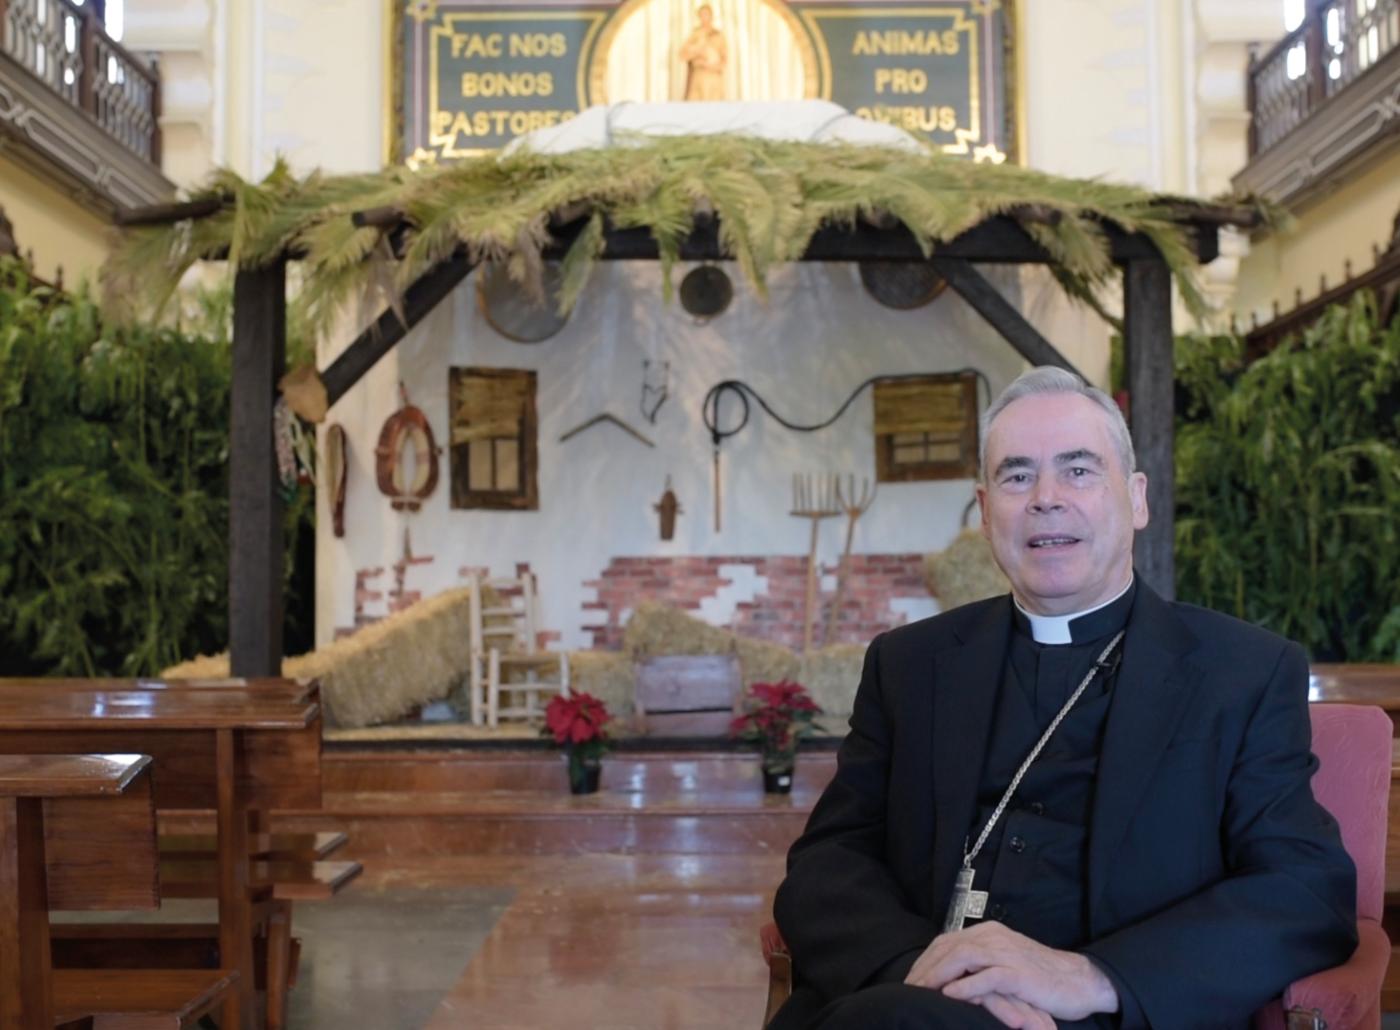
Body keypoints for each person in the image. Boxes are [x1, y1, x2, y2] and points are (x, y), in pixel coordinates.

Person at [769, 367, 1358, 1029]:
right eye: (1017, 476)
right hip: (905, 998)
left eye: (1079, 470)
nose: (1046, 498)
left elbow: (1306, 891)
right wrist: (922, 968)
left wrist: (1091, 977)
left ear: (1136, 499)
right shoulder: (911, 665)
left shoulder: (1241, 672)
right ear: (986, 508)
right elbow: (828, 860)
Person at [679, 5, 727, 101]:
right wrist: (697, 53)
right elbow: (682, 55)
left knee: (714, 110)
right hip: (698, 77)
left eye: (706, 15)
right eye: (702, 15)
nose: (704, 18)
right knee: (696, 111)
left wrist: (708, 64)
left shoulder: (718, 35)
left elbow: (724, 61)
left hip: (713, 78)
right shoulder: (695, 34)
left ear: (711, 16)